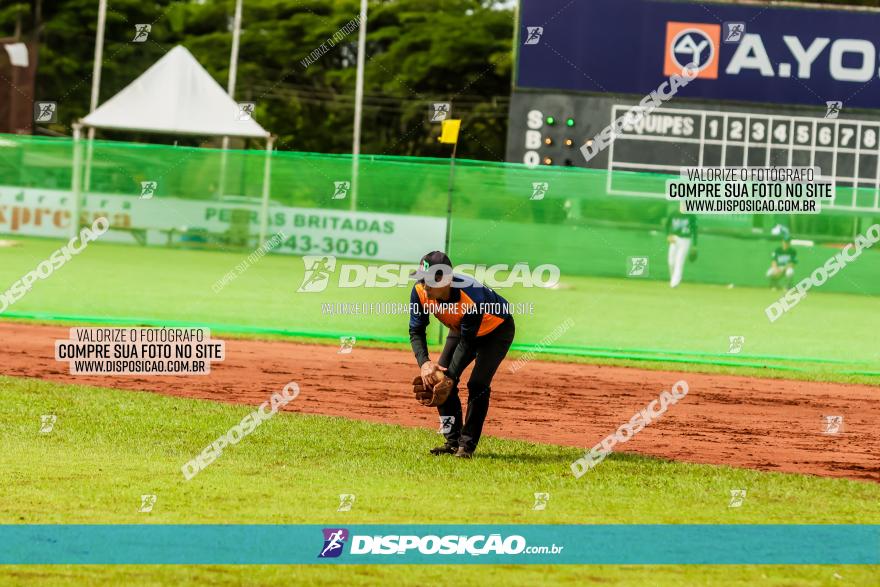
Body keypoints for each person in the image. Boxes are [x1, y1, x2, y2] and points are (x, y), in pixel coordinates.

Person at [408, 251, 516, 459]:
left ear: (446, 280)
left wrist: (450, 377)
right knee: (437, 379)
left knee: (477, 384)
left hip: (496, 331)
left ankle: (466, 445)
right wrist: (425, 364)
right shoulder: (420, 291)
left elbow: (468, 343)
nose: (425, 285)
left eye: (431, 280)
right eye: (422, 279)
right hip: (461, 329)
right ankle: (452, 439)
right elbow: (416, 330)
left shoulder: (471, 296)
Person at [665, 205, 698, 288]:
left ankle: (674, 282)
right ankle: (674, 278)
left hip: (685, 239)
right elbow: (667, 225)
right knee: (671, 261)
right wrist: (668, 235)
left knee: (679, 261)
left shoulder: (691, 216)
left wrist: (695, 244)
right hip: (674, 238)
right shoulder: (674, 214)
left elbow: (695, 230)